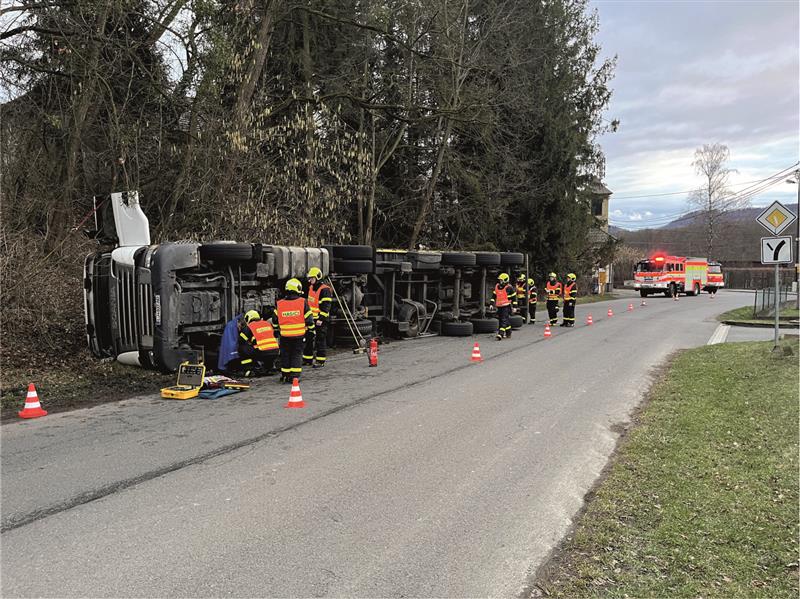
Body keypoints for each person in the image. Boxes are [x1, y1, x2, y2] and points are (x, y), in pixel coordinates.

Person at [273, 279, 315, 383]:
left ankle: (285, 375)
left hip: (284, 336)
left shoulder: (279, 304)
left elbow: (274, 320)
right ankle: (294, 377)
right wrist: (311, 330)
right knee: (296, 354)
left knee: (285, 355)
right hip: (299, 336)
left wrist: (276, 330)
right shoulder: (303, 302)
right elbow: (309, 319)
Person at [304, 267, 332, 368]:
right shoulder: (311, 287)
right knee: (309, 338)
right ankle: (308, 359)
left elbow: (326, 306)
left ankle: (320, 361)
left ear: (317, 278)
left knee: (320, 339)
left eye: (312, 278)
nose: (310, 280)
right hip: (312, 318)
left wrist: (321, 319)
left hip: (321, 319)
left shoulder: (324, 290)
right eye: (309, 278)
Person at [237, 308, 279, 375]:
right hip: (275, 352)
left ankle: (249, 368)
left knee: (242, 348)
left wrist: (240, 330)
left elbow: (241, 340)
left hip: (262, 353)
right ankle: (269, 367)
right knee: (266, 351)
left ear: (248, 318)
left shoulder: (250, 326)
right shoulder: (267, 324)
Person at [490, 272, 517, 340]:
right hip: (499, 306)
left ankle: (500, 334)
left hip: (506, 307)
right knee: (505, 320)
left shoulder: (510, 288)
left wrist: (515, 307)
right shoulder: (497, 287)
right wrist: (491, 304)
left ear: (505, 280)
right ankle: (508, 332)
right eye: (500, 280)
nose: (500, 281)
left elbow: (514, 298)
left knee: (503, 320)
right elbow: (494, 296)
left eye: (501, 280)